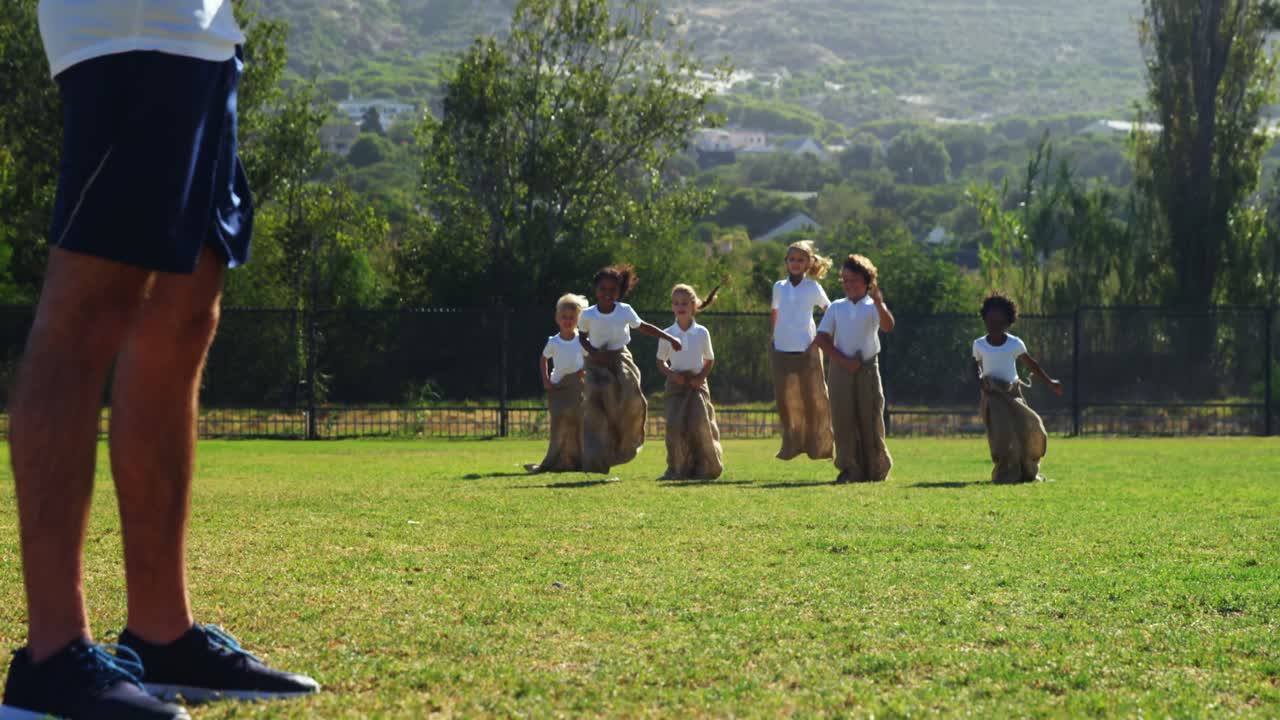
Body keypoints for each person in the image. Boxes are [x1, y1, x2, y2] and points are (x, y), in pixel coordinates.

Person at [3, 2, 317, 718]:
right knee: (90, 305)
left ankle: (161, 632)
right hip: (130, 23)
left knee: (185, 313)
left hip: (201, 31)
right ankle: (52, 654)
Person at [577, 265, 682, 474]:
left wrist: (669, 337)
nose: (607, 294)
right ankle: (595, 460)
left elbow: (643, 326)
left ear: (619, 292)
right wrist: (593, 353)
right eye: (602, 289)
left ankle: (625, 443)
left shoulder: (624, 311)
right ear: (596, 290)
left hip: (619, 357)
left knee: (629, 394)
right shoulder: (588, 314)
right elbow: (581, 337)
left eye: (612, 290)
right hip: (596, 361)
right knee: (595, 408)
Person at [815, 255, 896, 484]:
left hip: (867, 368)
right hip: (841, 369)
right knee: (843, 419)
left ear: (867, 281)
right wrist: (843, 361)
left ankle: (876, 468)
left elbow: (888, 326)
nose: (850, 285)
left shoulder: (873, 307)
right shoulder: (836, 307)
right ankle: (850, 468)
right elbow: (821, 339)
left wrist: (880, 304)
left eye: (855, 280)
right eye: (845, 280)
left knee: (870, 417)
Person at [973, 293, 1065, 484]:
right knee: (1004, 434)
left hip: (1013, 393)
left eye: (1000, 322)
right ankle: (1005, 474)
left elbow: (1032, 365)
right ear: (985, 320)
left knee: (1029, 428)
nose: (995, 326)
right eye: (991, 321)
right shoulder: (979, 344)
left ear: (1008, 322)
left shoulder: (1014, 343)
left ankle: (1028, 471)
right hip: (993, 396)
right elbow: (975, 366)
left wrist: (1050, 382)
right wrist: (980, 379)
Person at [770, 240, 834, 462]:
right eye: (792, 259)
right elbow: (775, 312)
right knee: (785, 400)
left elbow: (829, 310)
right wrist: (774, 337)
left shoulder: (813, 287)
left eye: (801, 260)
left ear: (808, 264)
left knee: (815, 397)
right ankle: (791, 445)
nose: (796, 263)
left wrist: (820, 338)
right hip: (781, 348)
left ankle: (821, 447)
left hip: (807, 349)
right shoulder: (779, 287)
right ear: (786, 262)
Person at [655, 284, 723, 481]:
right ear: (672, 307)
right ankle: (676, 469)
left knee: (701, 425)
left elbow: (709, 359)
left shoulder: (702, 332)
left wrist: (700, 377)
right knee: (675, 426)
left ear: (693, 305)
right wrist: (672, 375)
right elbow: (660, 362)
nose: (680, 306)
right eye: (676, 303)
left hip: (697, 384)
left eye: (684, 303)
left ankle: (707, 467)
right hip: (676, 385)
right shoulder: (666, 333)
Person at [526, 294, 589, 473]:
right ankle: (552, 460)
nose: (567, 321)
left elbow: (590, 358)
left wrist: (583, 370)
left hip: (577, 386)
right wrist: (546, 380)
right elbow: (544, 359)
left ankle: (579, 460)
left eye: (572, 317)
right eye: (564, 317)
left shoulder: (582, 340)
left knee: (579, 421)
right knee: (559, 421)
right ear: (557, 318)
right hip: (557, 386)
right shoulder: (553, 341)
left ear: (578, 320)